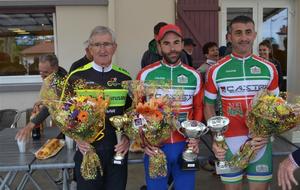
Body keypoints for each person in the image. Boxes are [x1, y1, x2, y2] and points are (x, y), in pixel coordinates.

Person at [204, 15, 279, 190]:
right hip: (229, 142)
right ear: (229, 37)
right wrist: (216, 137)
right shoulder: (215, 70)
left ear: (254, 35)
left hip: (261, 141)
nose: (243, 37)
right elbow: (208, 105)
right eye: (238, 33)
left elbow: (277, 107)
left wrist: (269, 132)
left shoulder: (269, 68)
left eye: (248, 32)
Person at [137, 24, 203, 190]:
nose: (172, 48)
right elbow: (137, 112)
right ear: (159, 47)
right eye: (166, 43)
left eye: (176, 42)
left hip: (185, 146)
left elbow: (198, 109)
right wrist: (144, 142)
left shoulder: (194, 75)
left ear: (182, 44)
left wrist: (195, 137)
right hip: (157, 147)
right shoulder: (145, 74)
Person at [67, 26, 131, 190]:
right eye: (97, 45)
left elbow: (132, 115)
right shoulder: (76, 77)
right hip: (87, 151)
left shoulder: (125, 78)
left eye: (107, 44)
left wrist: (127, 139)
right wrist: (77, 138)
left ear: (114, 47)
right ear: (90, 48)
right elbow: (65, 113)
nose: (102, 49)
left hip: (116, 152)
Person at [15, 54, 67, 141]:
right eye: (40, 72)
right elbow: (53, 100)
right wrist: (43, 101)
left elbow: (50, 105)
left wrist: (31, 124)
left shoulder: (60, 81)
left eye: (45, 72)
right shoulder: (56, 74)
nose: (42, 76)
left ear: (55, 69)